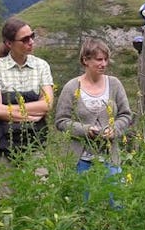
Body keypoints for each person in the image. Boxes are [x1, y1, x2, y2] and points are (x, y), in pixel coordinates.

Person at [0, 18, 54, 165]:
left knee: (39, 185)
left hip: (36, 140)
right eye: (25, 39)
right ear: (9, 43)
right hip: (3, 140)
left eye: (32, 36)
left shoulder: (41, 66)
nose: (31, 42)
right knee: (5, 186)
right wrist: (30, 115)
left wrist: (8, 111)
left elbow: (48, 103)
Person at [55, 37, 132, 178]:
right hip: (79, 161)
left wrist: (113, 129)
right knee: (83, 199)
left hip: (110, 160)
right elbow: (61, 121)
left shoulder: (114, 84)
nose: (103, 64)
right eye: (98, 60)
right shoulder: (71, 87)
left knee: (115, 199)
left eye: (105, 60)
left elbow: (126, 115)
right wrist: (86, 130)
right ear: (85, 60)